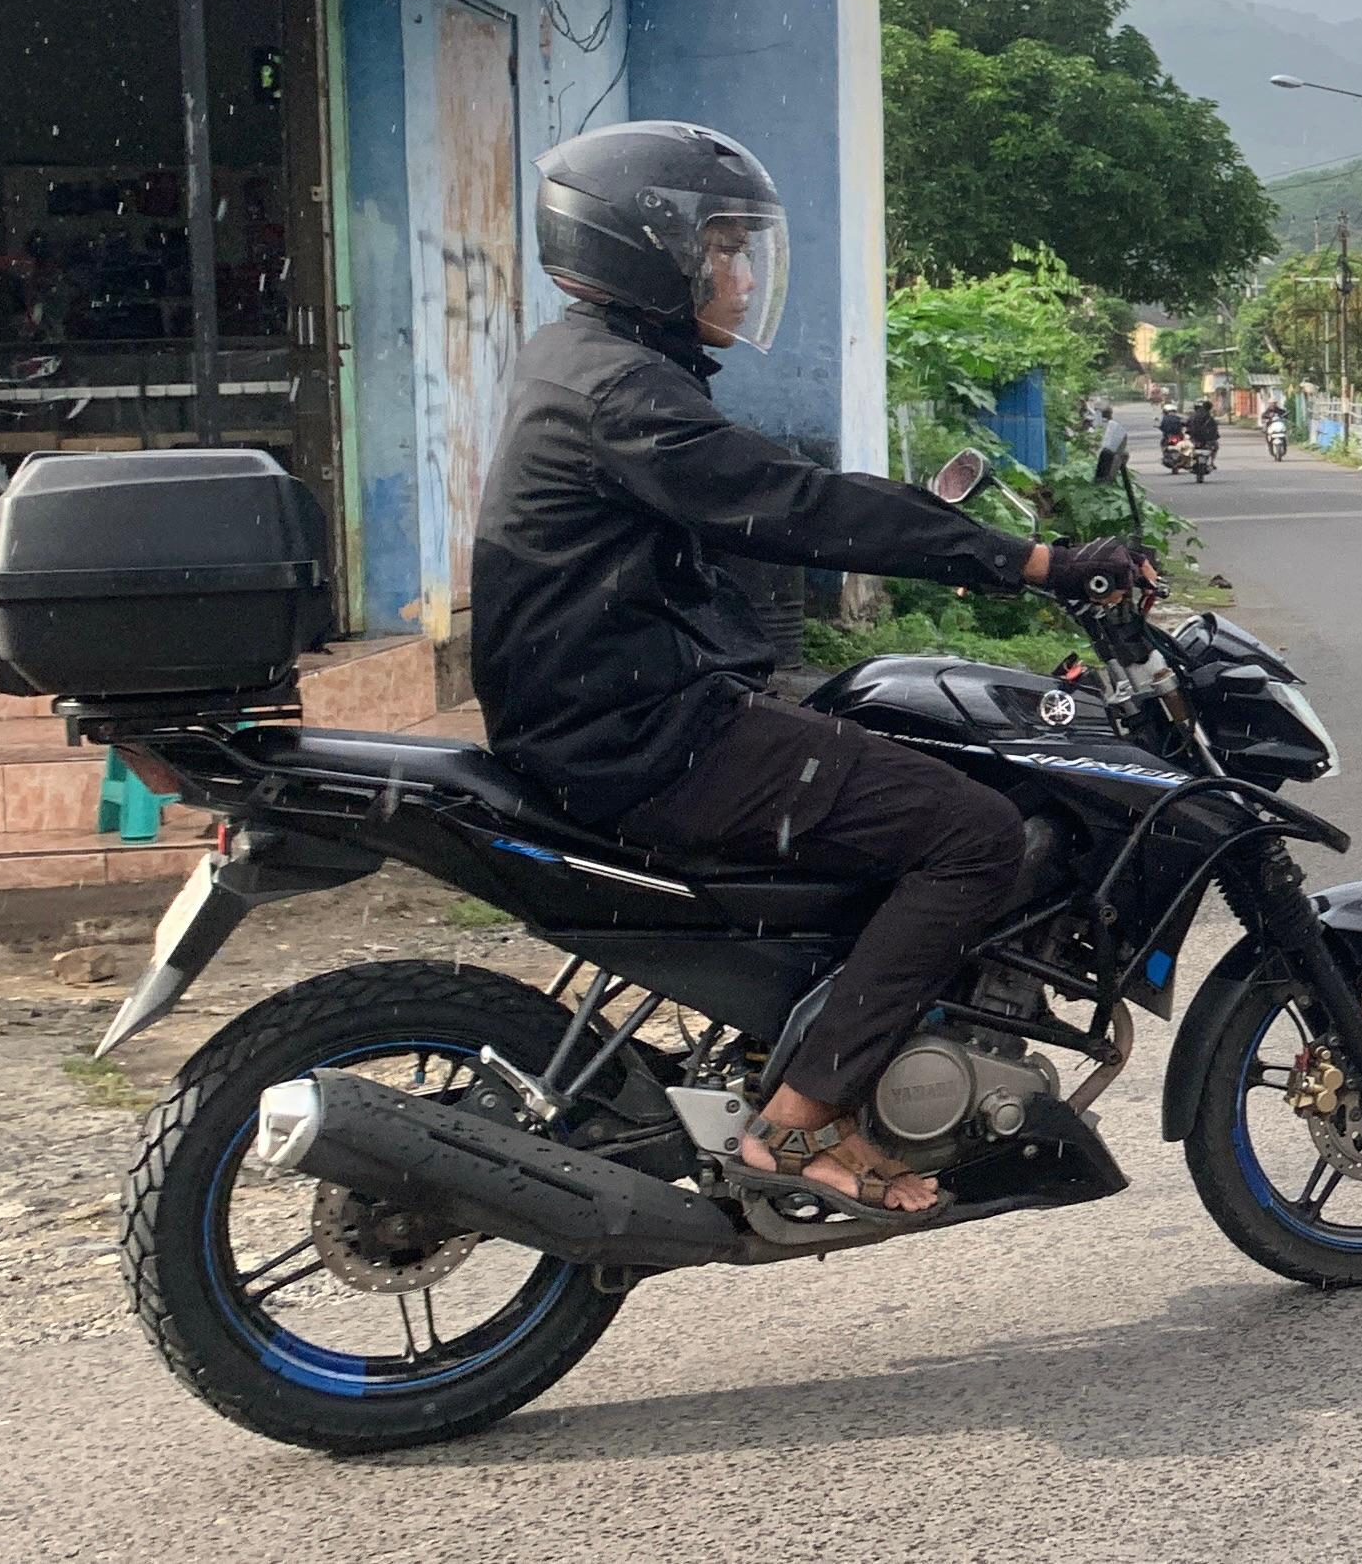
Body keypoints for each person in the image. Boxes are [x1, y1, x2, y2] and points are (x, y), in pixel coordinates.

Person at [473, 120, 1147, 1222]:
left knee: (875, 747)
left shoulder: (587, 363)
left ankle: (823, 1047)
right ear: (649, 251)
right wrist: (1033, 561)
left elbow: (771, 496)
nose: (741, 277)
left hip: (612, 711)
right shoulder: (625, 393)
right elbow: (802, 505)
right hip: (644, 738)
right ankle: (801, 1121)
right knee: (973, 834)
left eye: (742, 250)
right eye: (722, 248)